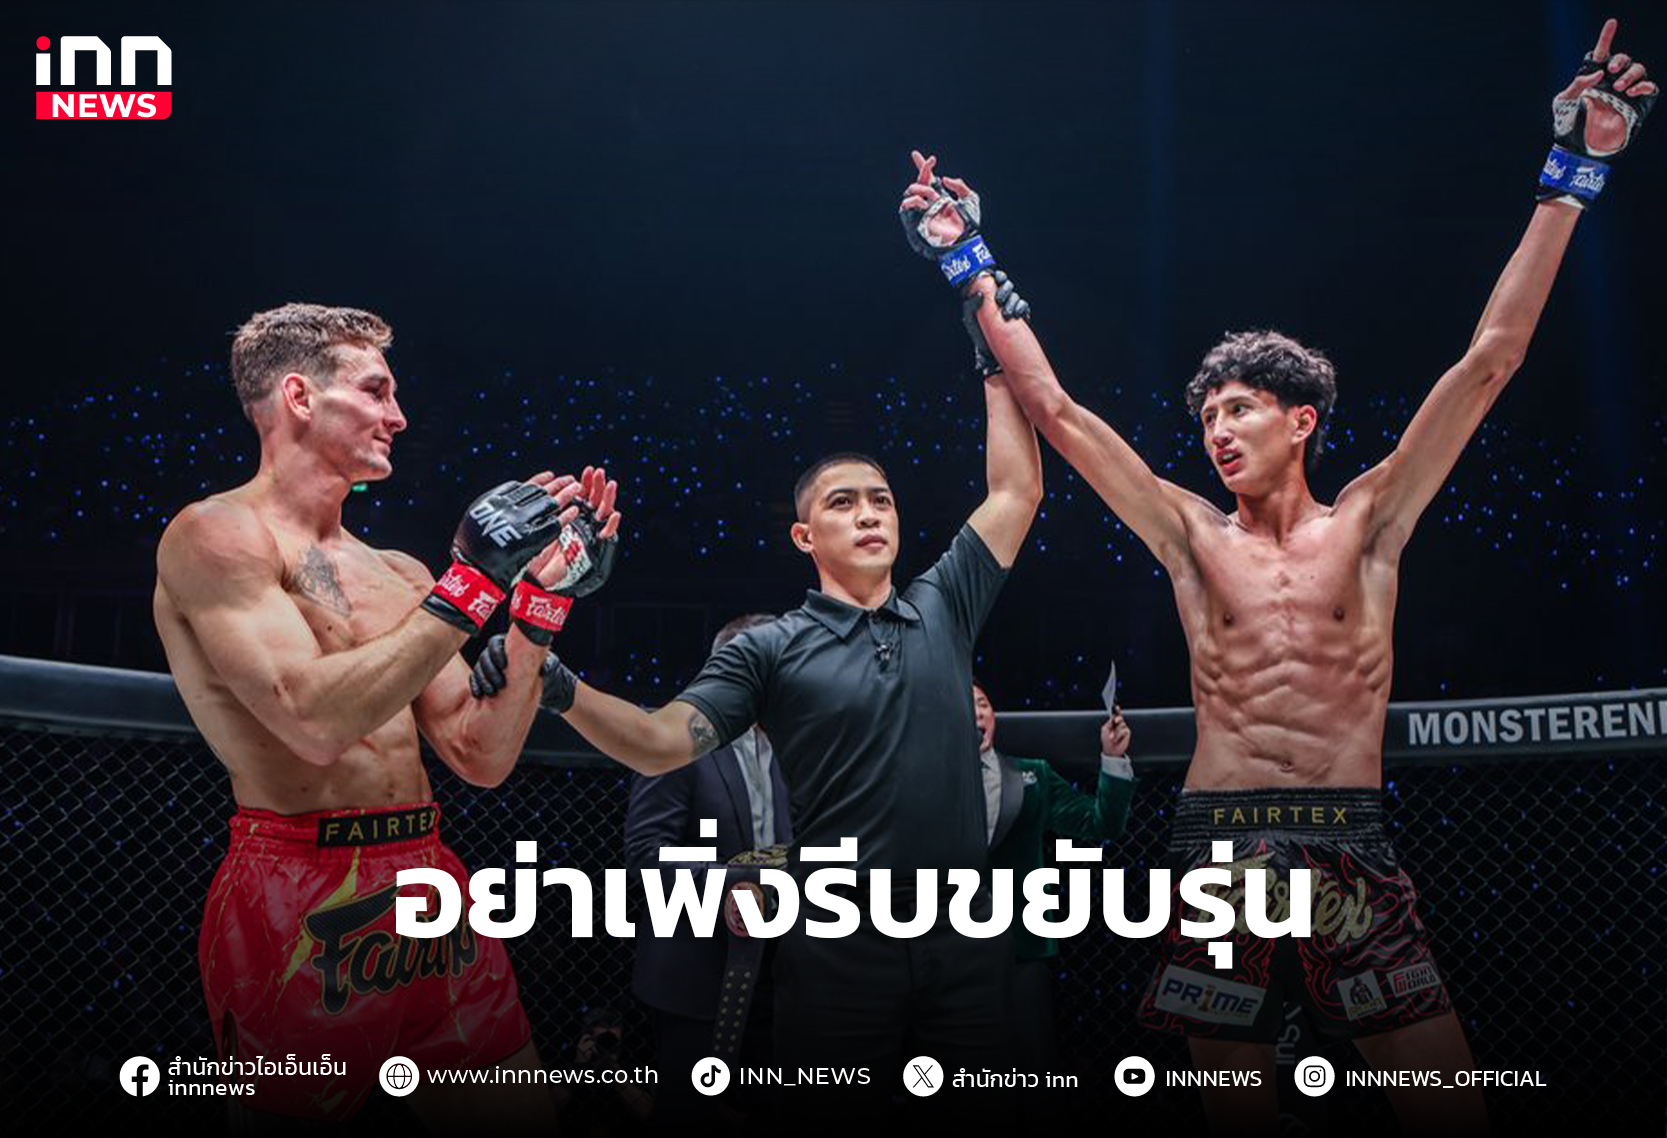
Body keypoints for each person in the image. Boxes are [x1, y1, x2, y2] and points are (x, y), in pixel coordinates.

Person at [898, 19, 1653, 1135]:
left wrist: (1573, 173)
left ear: (1299, 421)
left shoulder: (1373, 521)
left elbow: (1489, 358)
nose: (1215, 430)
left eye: (1238, 409)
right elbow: (1053, 410)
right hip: (1219, 842)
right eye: (1205, 415)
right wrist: (966, 260)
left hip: (1350, 837)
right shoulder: (1187, 533)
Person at [490, 297, 1044, 1106]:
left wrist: (992, 354)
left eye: (881, 500)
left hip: (964, 934)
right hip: (839, 945)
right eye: (842, 503)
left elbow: (1016, 490)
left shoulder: (943, 603)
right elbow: (657, 742)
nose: (868, 513)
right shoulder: (768, 647)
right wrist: (556, 685)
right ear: (803, 537)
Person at [152, 302, 621, 1125]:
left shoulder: (401, 573)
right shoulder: (215, 534)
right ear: (299, 397)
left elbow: (480, 756)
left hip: (429, 875)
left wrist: (538, 609)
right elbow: (310, 723)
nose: (398, 417)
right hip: (298, 886)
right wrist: (472, 584)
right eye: (376, 391)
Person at [623, 613, 793, 1124]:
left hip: (782, 973)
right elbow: (646, 852)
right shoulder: (674, 737)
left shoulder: (795, 743)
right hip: (697, 972)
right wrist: (728, 886)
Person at [974, 681, 1135, 1072]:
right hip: (944, 950)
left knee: (1033, 1066)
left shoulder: (1032, 775)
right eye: (962, 706)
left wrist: (1113, 760)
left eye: (982, 703)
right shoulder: (922, 780)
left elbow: (1101, 822)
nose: (976, 713)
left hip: (1020, 947)